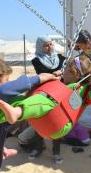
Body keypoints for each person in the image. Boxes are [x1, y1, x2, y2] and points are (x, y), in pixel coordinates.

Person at [0, 55, 91, 144]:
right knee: (21, 98)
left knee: (47, 101)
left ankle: (17, 112)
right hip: (43, 119)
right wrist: (52, 76)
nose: (63, 71)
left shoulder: (85, 93)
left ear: (75, 74)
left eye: (66, 70)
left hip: (59, 124)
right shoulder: (62, 82)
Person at [27, 36, 66, 164]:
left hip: (59, 93)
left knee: (58, 121)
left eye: (50, 44)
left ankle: (56, 152)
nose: (49, 47)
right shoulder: (37, 60)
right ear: (40, 47)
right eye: (46, 45)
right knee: (41, 120)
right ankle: (38, 148)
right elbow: (43, 75)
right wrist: (56, 74)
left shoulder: (61, 58)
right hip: (44, 94)